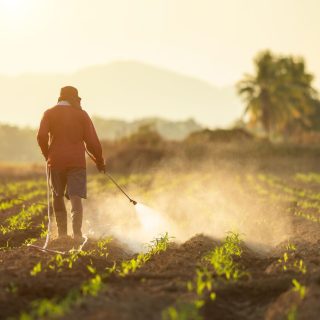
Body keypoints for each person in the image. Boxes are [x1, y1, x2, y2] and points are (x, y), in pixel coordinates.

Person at [37, 86, 105, 242]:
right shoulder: (81, 115)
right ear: (74, 99)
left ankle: (62, 234)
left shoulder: (49, 113)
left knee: (57, 195)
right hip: (76, 162)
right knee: (76, 197)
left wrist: (47, 155)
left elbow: (41, 136)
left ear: (60, 98)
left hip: (56, 161)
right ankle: (77, 234)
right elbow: (92, 142)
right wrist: (99, 161)